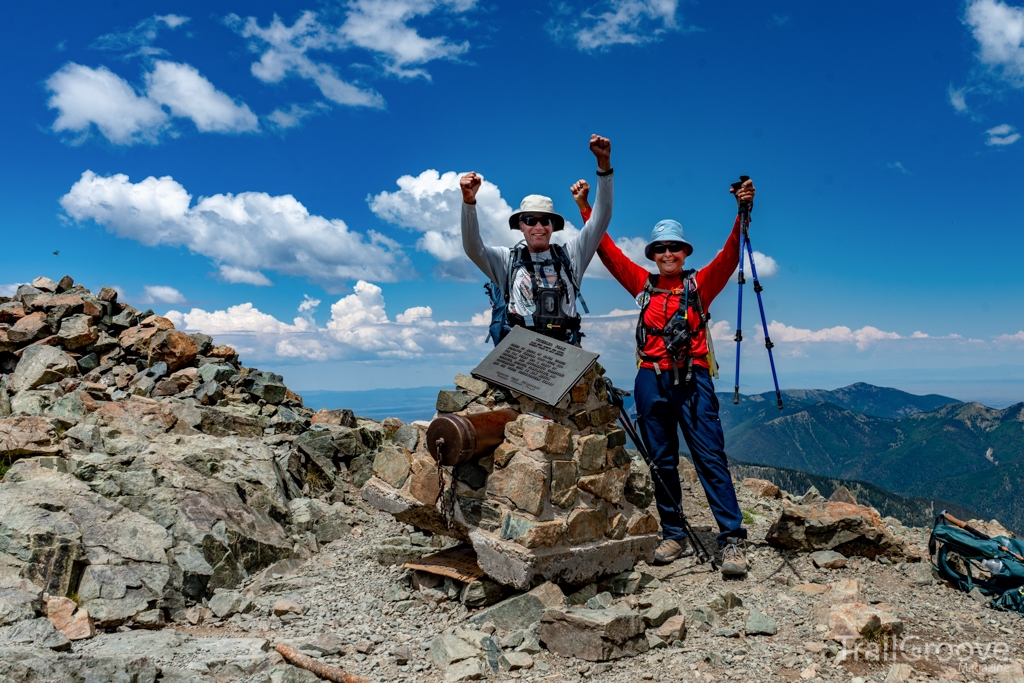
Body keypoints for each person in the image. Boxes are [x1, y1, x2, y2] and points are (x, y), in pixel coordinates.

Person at [573, 177, 755, 577]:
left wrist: (742, 213)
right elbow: (608, 253)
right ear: (654, 254)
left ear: (684, 252)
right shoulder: (644, 285)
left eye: (674, 247)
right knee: (661, 461)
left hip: (692, 380)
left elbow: (729, 256)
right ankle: (674, 534)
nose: (668, 253)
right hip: (650, 379)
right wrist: (586, 207)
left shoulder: (699, 284)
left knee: (710, 458)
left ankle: (732, 540)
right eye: (661, 248)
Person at [460, 135, 613, 346]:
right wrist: (469, 203)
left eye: (545, 220)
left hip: (564, 350)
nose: (539, 227)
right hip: (521, 351)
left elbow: (600, 219)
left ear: (553, 226)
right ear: (521, 226)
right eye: (530, 220)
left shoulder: (571, 256)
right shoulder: (507, 260)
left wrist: (604, 168)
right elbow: (472, 247)